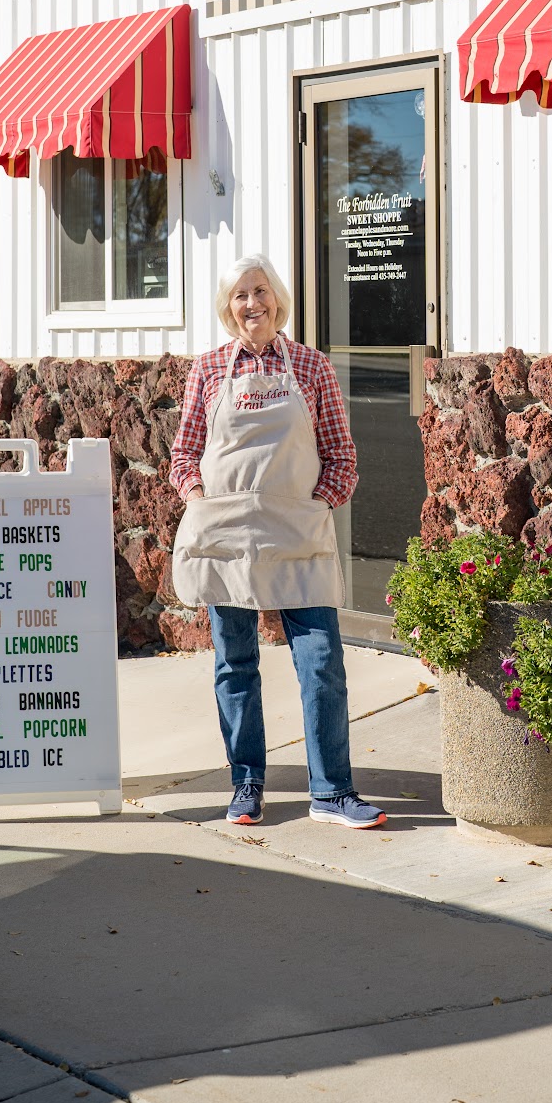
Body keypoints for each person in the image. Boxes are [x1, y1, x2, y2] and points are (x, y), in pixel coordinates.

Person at [168, 253, 385, 830]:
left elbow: (341, 458)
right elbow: (184, 454)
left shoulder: (311, 367)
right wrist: (199, 500)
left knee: (322, 662)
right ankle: (246, 785)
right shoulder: (207, 370)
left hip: (296, 535)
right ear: (228, 306)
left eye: (260, 291)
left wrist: (315, 507)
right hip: (227, 537)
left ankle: (332, 792)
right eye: (240, 295)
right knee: (234, 663)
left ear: (277, 298)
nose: (252, 304)